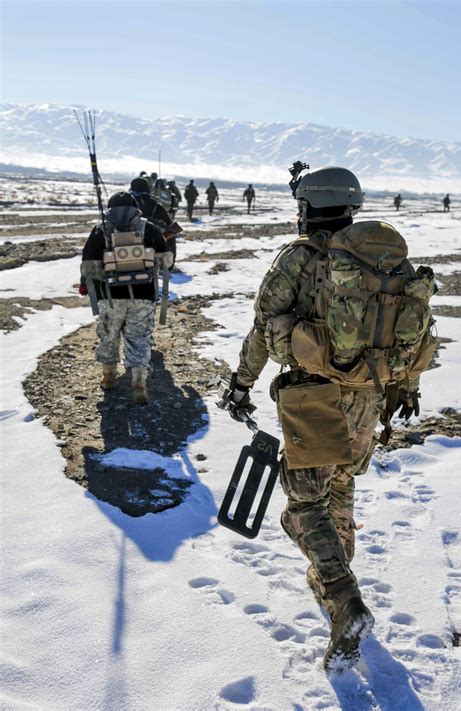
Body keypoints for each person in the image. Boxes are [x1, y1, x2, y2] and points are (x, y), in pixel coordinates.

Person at [220, 166, 436, 671]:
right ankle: (331, 585)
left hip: (314, 398)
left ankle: (344, 599)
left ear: (309, 205)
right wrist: (406, 387)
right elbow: (410, 331)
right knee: (340, 489)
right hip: (369, 399)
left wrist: (242, 383)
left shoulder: (301, 258)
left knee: (302, 505)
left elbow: (262, 328)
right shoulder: (383, 261)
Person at [79, 191, 173, 403]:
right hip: (144, 294)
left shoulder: (100, 229)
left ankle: (109, 377)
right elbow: (166, 260)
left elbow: (88, 265)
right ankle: (139, 380)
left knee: (109, 336)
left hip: (108, 296)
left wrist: (90, 283)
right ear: (134, 207)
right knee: (139, 338)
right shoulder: (148, 228)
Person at [130, 176, 178, 265]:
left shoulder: (126, 205)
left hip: (126, 247)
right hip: (151, 247)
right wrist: (171, 260)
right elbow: (170, 229)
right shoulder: (155, 206)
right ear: (148, 189)